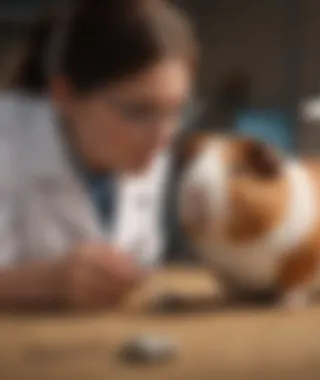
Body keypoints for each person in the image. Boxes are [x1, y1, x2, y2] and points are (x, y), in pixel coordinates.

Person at [0, 0, 197, 310]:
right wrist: (43, 283)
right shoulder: (7, 142)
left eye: (175, 110)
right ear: (64, 94)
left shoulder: (149, 150)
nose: (164, 137)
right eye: (138, 111)